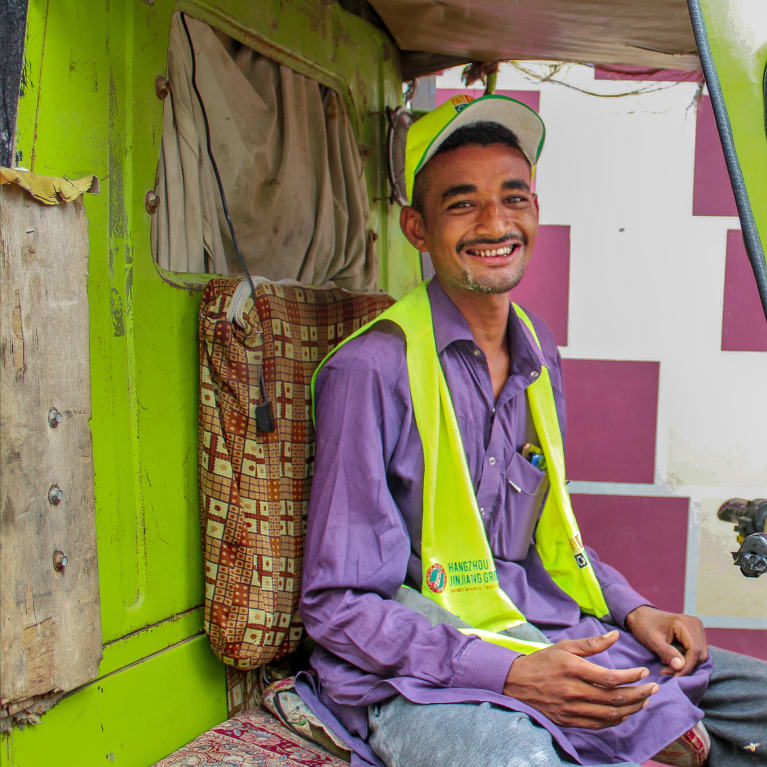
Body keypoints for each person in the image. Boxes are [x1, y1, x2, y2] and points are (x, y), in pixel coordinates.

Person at [296, 94, 767, 767]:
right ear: (416, 227)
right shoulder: (370, 369)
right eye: (461, 203)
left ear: (535, 213)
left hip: (541, 631)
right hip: (416, 676)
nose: (494, 223)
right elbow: (339, 603)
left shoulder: (538, 351)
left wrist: (636, 612)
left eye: (512, 198)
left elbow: (550, 542)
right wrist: (514, 676)